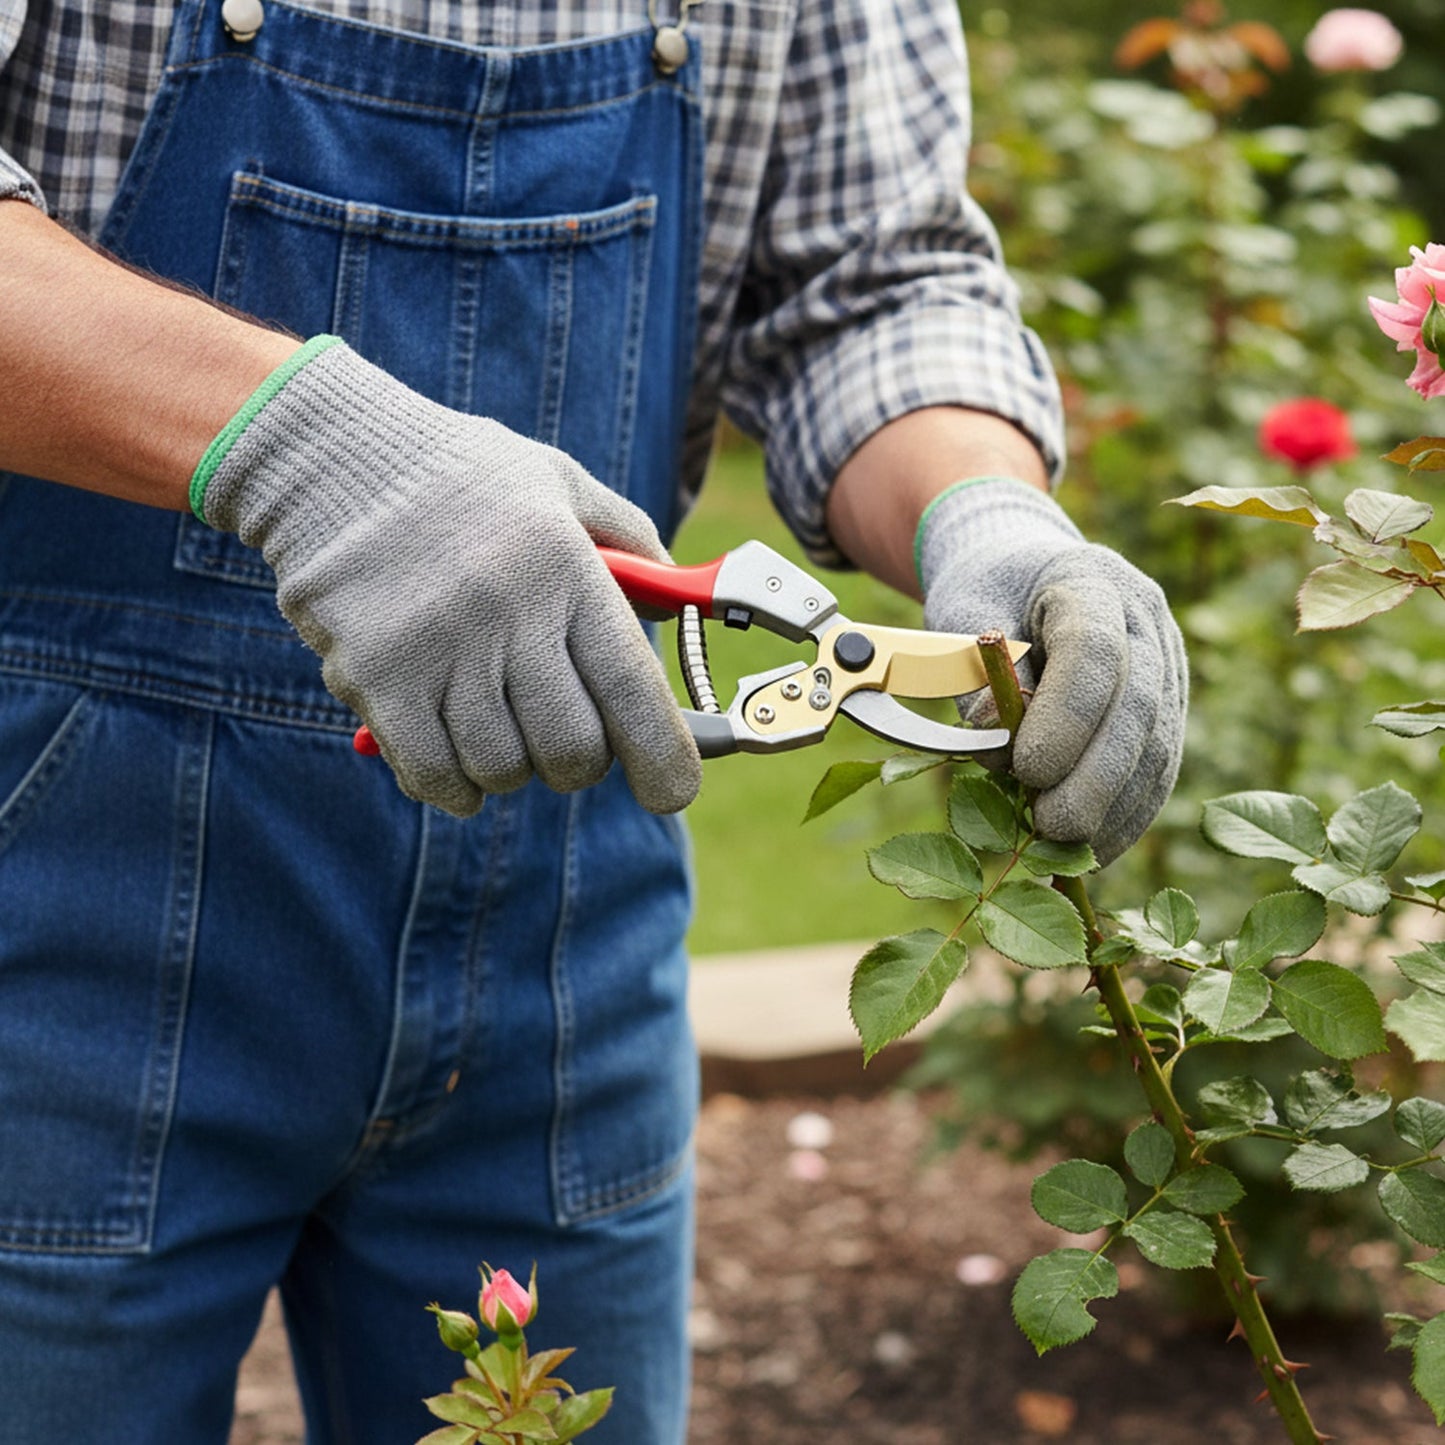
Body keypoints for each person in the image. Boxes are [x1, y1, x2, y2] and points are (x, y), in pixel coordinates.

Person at [0, 1, 1187, 1441]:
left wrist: (984, 508)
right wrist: (303, 444)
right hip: (58, 903)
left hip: (560, 929)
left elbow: (871, 281)